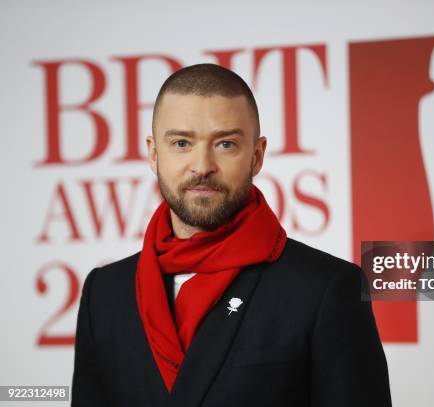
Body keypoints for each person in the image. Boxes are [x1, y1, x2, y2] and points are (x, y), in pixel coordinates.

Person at [71, 63, 392, 407]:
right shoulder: (102, 294)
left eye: (225, 144)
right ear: (153, 153)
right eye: (181, 143)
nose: (202, 165)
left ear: (256, 156)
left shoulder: (327, 288)